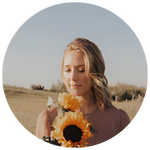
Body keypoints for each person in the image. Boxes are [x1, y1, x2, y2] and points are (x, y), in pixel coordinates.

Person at [35, 38, 138, 148]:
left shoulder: (118, 119)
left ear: (96, 72)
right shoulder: (49, 117)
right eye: (67, 70)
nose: (72, 77)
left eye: (81, 70)